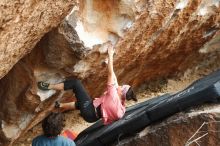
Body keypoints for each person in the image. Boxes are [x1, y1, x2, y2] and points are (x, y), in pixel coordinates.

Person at [38, 44, 137, 125]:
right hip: (93, 117)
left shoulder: (113, 95)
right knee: (81, 102)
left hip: (89, 110)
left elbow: (111, 75)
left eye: (121, 87)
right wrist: (108, 64)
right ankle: (60, 105)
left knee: (76, 84)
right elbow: (115, 80)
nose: (119, 86)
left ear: (121, 93)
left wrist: (111, 55)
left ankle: (49, 86)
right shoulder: (122, 107)